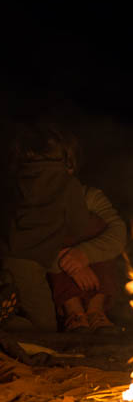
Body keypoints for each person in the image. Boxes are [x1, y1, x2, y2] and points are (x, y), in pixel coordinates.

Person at [1, 124, 125, 332]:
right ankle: (72, 314)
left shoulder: (88, 197)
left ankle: (95, 312)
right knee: (43, 329)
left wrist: (82, 255)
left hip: (46, 267)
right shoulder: (46, 194)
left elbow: (117, 234)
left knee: (95, 227)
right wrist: (67, 261)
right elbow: (28, 247)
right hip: (40, 270)